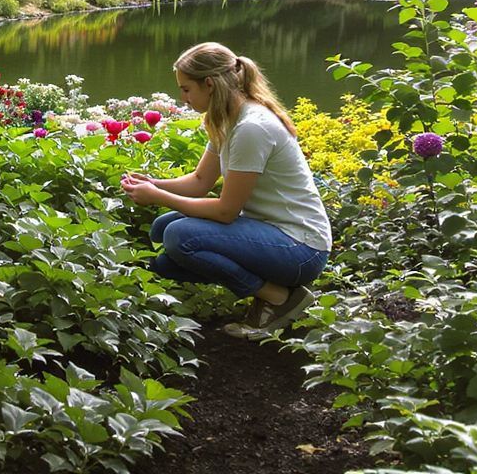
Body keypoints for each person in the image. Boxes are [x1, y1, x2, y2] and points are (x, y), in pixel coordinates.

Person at [120, 42, 331, 339]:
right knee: (162, 232)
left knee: (179, 236)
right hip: (270, 233)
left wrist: (159, 197)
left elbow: (225, 211)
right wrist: (152, 183)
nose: (183, 98)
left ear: (209, 84)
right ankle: (270, 290)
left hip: (301, 248)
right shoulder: (227, 119)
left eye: (186, 89)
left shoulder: (252, 128)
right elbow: (199, 182)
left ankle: (279, 297)